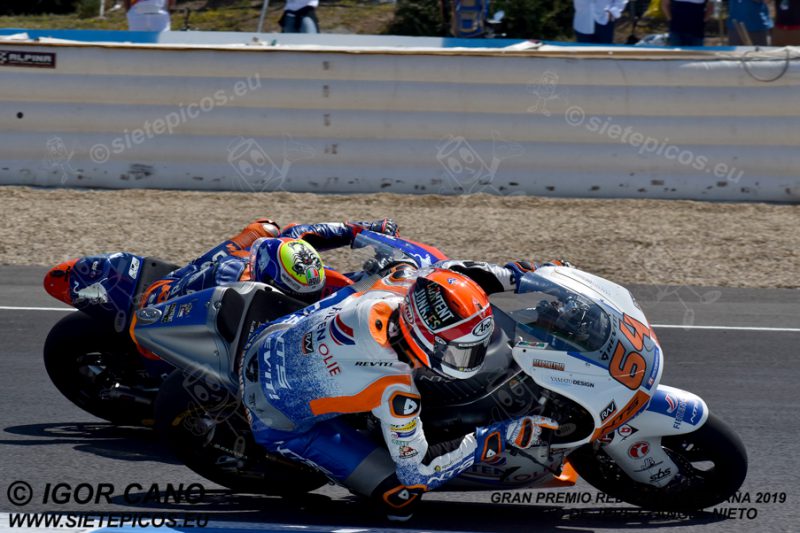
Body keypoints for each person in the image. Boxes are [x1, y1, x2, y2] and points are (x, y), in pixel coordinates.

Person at [238, 257, 562, 520]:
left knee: (387, 272)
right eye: (461, 351)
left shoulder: (398, 282)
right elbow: (416, 471)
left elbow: (449, 275)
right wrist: (499, 436)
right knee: (399, 496)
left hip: (271, 335)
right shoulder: (393, 387)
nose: (468, 358)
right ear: (426, 337)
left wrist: (516, 276)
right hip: (275, 416)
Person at [142, 217, 399, 307]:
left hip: (253, 261)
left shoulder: (285, 259)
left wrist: (363, 231)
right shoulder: (227, 284)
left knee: (270, 229)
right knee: (263, 228)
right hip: (166, 298)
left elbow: (301, 231)